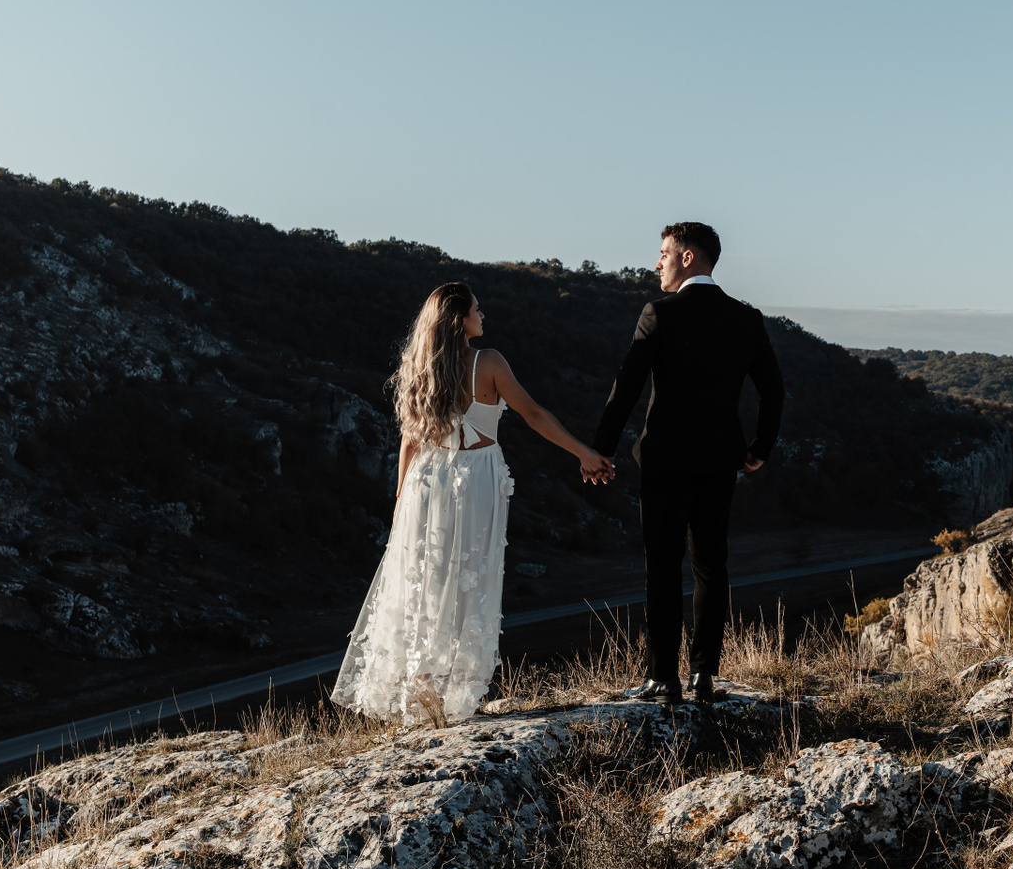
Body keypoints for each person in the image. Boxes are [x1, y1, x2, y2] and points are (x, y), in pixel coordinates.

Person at [333, 281, 614, 726]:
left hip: (426, 478)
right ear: (458, 319)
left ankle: (427, 692)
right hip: (476, 477)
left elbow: (409, 439)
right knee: (470, 576)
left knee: (425, 579)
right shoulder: (489, 362)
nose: (483, 316)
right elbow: (534, 414)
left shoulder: (419, 365)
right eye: (476, 310)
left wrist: (401, 496)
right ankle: (452, 694)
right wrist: (583, 452)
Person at [593, 222, 784, 705]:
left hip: (665, 459)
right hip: (720, 459)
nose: (657, 262)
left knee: (662, 565)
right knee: (711, 565)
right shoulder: (746, 317)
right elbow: (773, 389)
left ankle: (663, 677)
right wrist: (760, 447)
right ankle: (704, 676)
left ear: (687, 257)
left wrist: (601, 449)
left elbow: (626, 387)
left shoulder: (659, 313)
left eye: (664, 253)